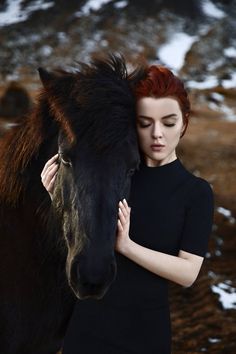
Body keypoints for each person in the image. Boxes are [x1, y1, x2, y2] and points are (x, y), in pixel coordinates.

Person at [41, 64, 214, 354]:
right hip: (88, 327)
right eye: (145, 123)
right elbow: (84, 231)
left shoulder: (195, 193)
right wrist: (56, 196)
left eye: (168, 123)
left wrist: (128, 247)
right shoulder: (115, 173)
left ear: (184, 123)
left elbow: (188, 273)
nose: (157, 134)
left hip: (144, 332)